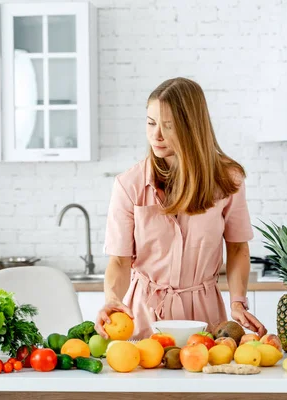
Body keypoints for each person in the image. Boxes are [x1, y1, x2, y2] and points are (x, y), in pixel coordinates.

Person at [95, 77, 267, 340]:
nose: (156, 135)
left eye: (168, 126)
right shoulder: (129, 185)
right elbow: (119, 261)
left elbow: (237, 247)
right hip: (144, 318)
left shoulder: (227, 181)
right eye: (151, 123)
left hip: (204, 317)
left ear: (191, 128)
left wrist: (237, 301)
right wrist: (111, 299)